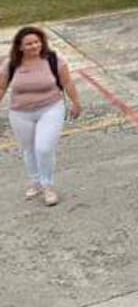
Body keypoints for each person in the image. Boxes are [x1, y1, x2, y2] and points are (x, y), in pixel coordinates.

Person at [1, 26, 82, 206]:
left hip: (50, 108)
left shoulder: (54, 60)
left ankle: (48, 185)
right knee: (28, 149)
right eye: (28, 44)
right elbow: (2, 87)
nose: (34, 46)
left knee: (44, 148)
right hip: (20, 112)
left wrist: (76, 102)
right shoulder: (11, 64)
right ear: (20, 47)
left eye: (37, 42)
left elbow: (67, 82)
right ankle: (35, 181)